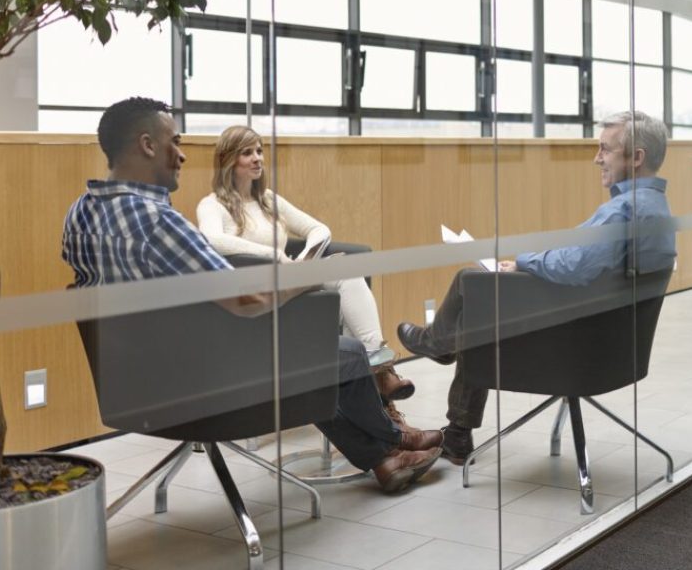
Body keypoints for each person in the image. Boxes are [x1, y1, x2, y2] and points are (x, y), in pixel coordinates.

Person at [61, 97, 442, 493]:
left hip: (131, 384)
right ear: (147, 145)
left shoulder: (79, 214)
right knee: (341, 352)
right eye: (175, 142)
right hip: (197, 384)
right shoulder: (159, 222)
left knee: (307, 352)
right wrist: (308, 276)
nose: (182, 155)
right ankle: (395, 440)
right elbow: (246, 303)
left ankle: (384, 460)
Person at [397, 110, 676, 464]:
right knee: (484, 305)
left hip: (575, 354)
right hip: (613, 349)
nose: (597, 158)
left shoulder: (623, 210)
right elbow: (584, 263)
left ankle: (437, 343)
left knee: (475, 293)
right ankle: (455, 426)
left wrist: (525, 263)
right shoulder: (656, 208)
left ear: (637, 158)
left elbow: (575, 267)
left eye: (605, 149)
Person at [196, 125, 414, 403]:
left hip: (291, 282)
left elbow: (319, 229)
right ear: (228, 160)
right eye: (247, 153)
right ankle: (380, 383)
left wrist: (302, 259)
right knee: (347, 303)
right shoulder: (212, 205)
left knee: (347, 274)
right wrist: (273, 255)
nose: (258, 158)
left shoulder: (268, 200)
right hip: (259, 298)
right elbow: (211, 239)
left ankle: (376, 373)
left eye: (260, 151)